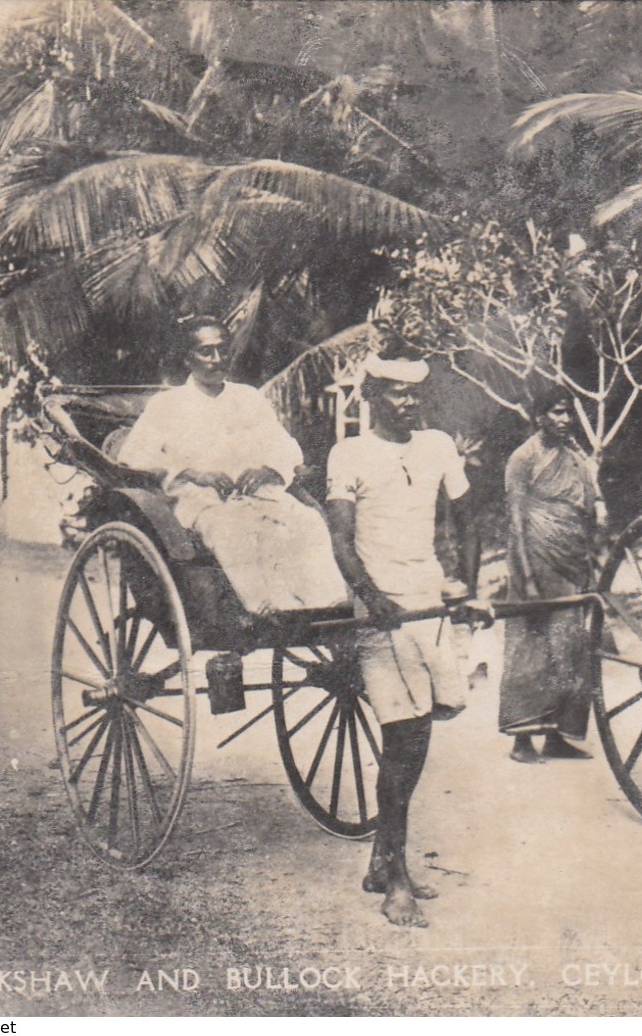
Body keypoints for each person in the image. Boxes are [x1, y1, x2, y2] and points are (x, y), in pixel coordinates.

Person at [325, 355, 479, 927]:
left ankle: (380, 856)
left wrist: (464, 580)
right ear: (371, 396)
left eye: (415, 393)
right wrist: (371, 595)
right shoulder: (350, 454)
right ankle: (396, 878)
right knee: (404, 734)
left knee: (421, 731)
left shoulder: (438, 446)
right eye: (395, 394)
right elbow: (340, 540)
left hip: (427, 597)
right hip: (379, 606)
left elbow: (467, 515)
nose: (408, 403)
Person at [116, 316, 347, 613]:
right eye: (206, 352)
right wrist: (192, 474)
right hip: (201, 500)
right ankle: (266, 609)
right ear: (189, 358)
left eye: (223, 350)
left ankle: (323, 606)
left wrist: (271, 469)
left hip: (260, 494)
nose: (217, 359)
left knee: (307, 521)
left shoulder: (249, 398)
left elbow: (283, 445)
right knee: (231, 529)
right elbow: (135, 456)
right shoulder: (167, 404)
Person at [499, 387, 602, 764]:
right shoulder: (522, 459)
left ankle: (559, 735)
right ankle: (522, 738)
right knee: (532, 646)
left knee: (571, 647)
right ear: (539, 416)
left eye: (567, 413)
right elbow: (516, 520)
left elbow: (588, 506)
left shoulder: (574, 457)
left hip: (572, 557)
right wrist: (525, 577)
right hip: (536, 559)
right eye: (555, 412)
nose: (563, 419)